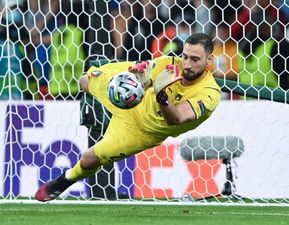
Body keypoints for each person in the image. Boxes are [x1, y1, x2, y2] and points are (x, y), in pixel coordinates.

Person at [35, 33, 222, 202]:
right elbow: (146, 80)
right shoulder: (171, 64)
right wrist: (140, 78)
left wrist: (162, 96)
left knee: (89, 158)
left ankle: (65, 180)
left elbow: (177, 118)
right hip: (134, 101)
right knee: (85, 80)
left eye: (195, 59)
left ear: (209, 59)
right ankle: (112, 105)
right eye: (185, 56)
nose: (187, 64)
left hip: (142, 132)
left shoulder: (209, 93)